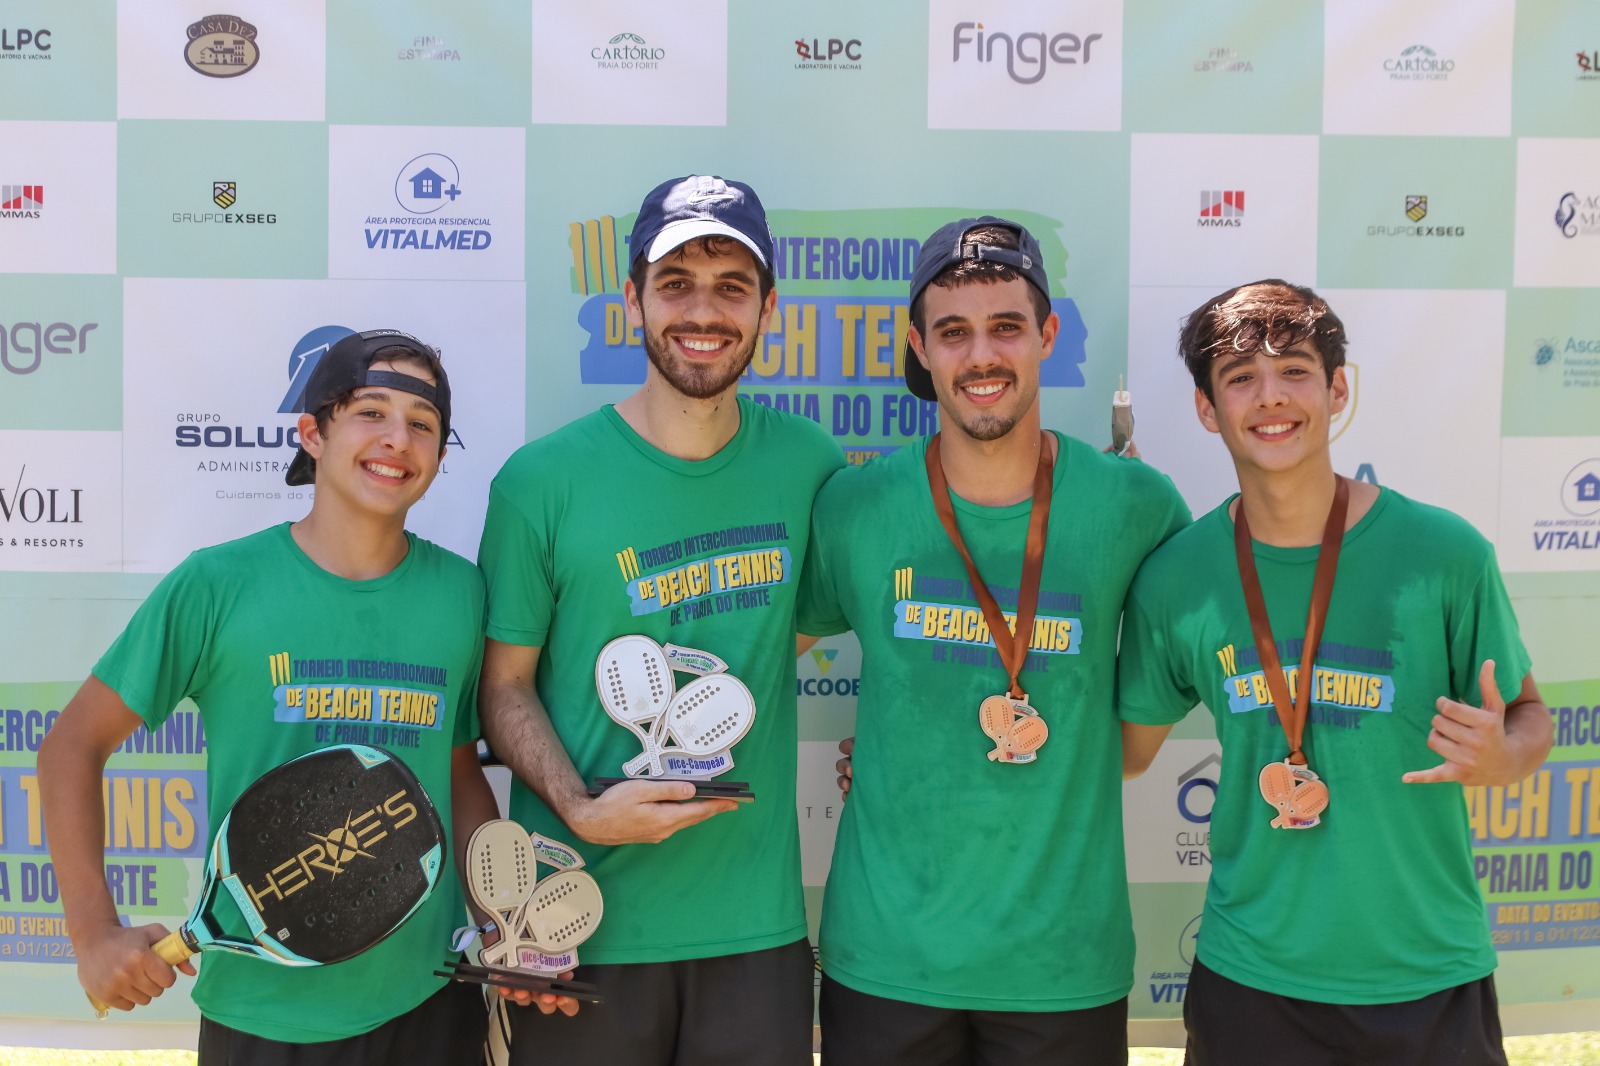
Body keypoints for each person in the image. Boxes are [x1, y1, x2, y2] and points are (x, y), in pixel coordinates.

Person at [1117, 280, 1553, 1066]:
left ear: (1337, 388)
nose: (1270, 398)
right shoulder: (1177, 577)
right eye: (1240, 378)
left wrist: (1504, 757)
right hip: (1253, 982)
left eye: (1294, 371)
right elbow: (1124, 750)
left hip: (1426, 976)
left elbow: (1529, 715)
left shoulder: (1444, 555)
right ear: (1207, 409)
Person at [37, 329, 504, 1064]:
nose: (397, 439)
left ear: (440, 461)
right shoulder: (218, 585)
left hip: (430, 1001)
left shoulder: (461, 594)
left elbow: (454, 773)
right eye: (371, 412)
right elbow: (72, 744)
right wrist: (91, 933)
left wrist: (502, 924)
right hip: (260, 1012)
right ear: (312, 433)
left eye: (422, 425)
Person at [796, 217, 1190, 1065]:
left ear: (1048, 335)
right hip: (887, 962)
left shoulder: (1138, 509)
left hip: (1062, 966)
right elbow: (759, 658)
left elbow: (1155, 715)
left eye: (1007, 326)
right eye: (954, 332)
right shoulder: (854, 509)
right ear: (919, 346)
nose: (982, 356)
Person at [475, 174, 843, 1064]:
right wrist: (578, 806)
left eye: (732, 287)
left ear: (767, 310)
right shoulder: (541, 482)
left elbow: (789, 642)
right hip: (572, 928)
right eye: (675, 282)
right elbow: (503, 687)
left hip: (754, 935)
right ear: (631, 298)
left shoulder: (811, 466)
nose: (702, 311)